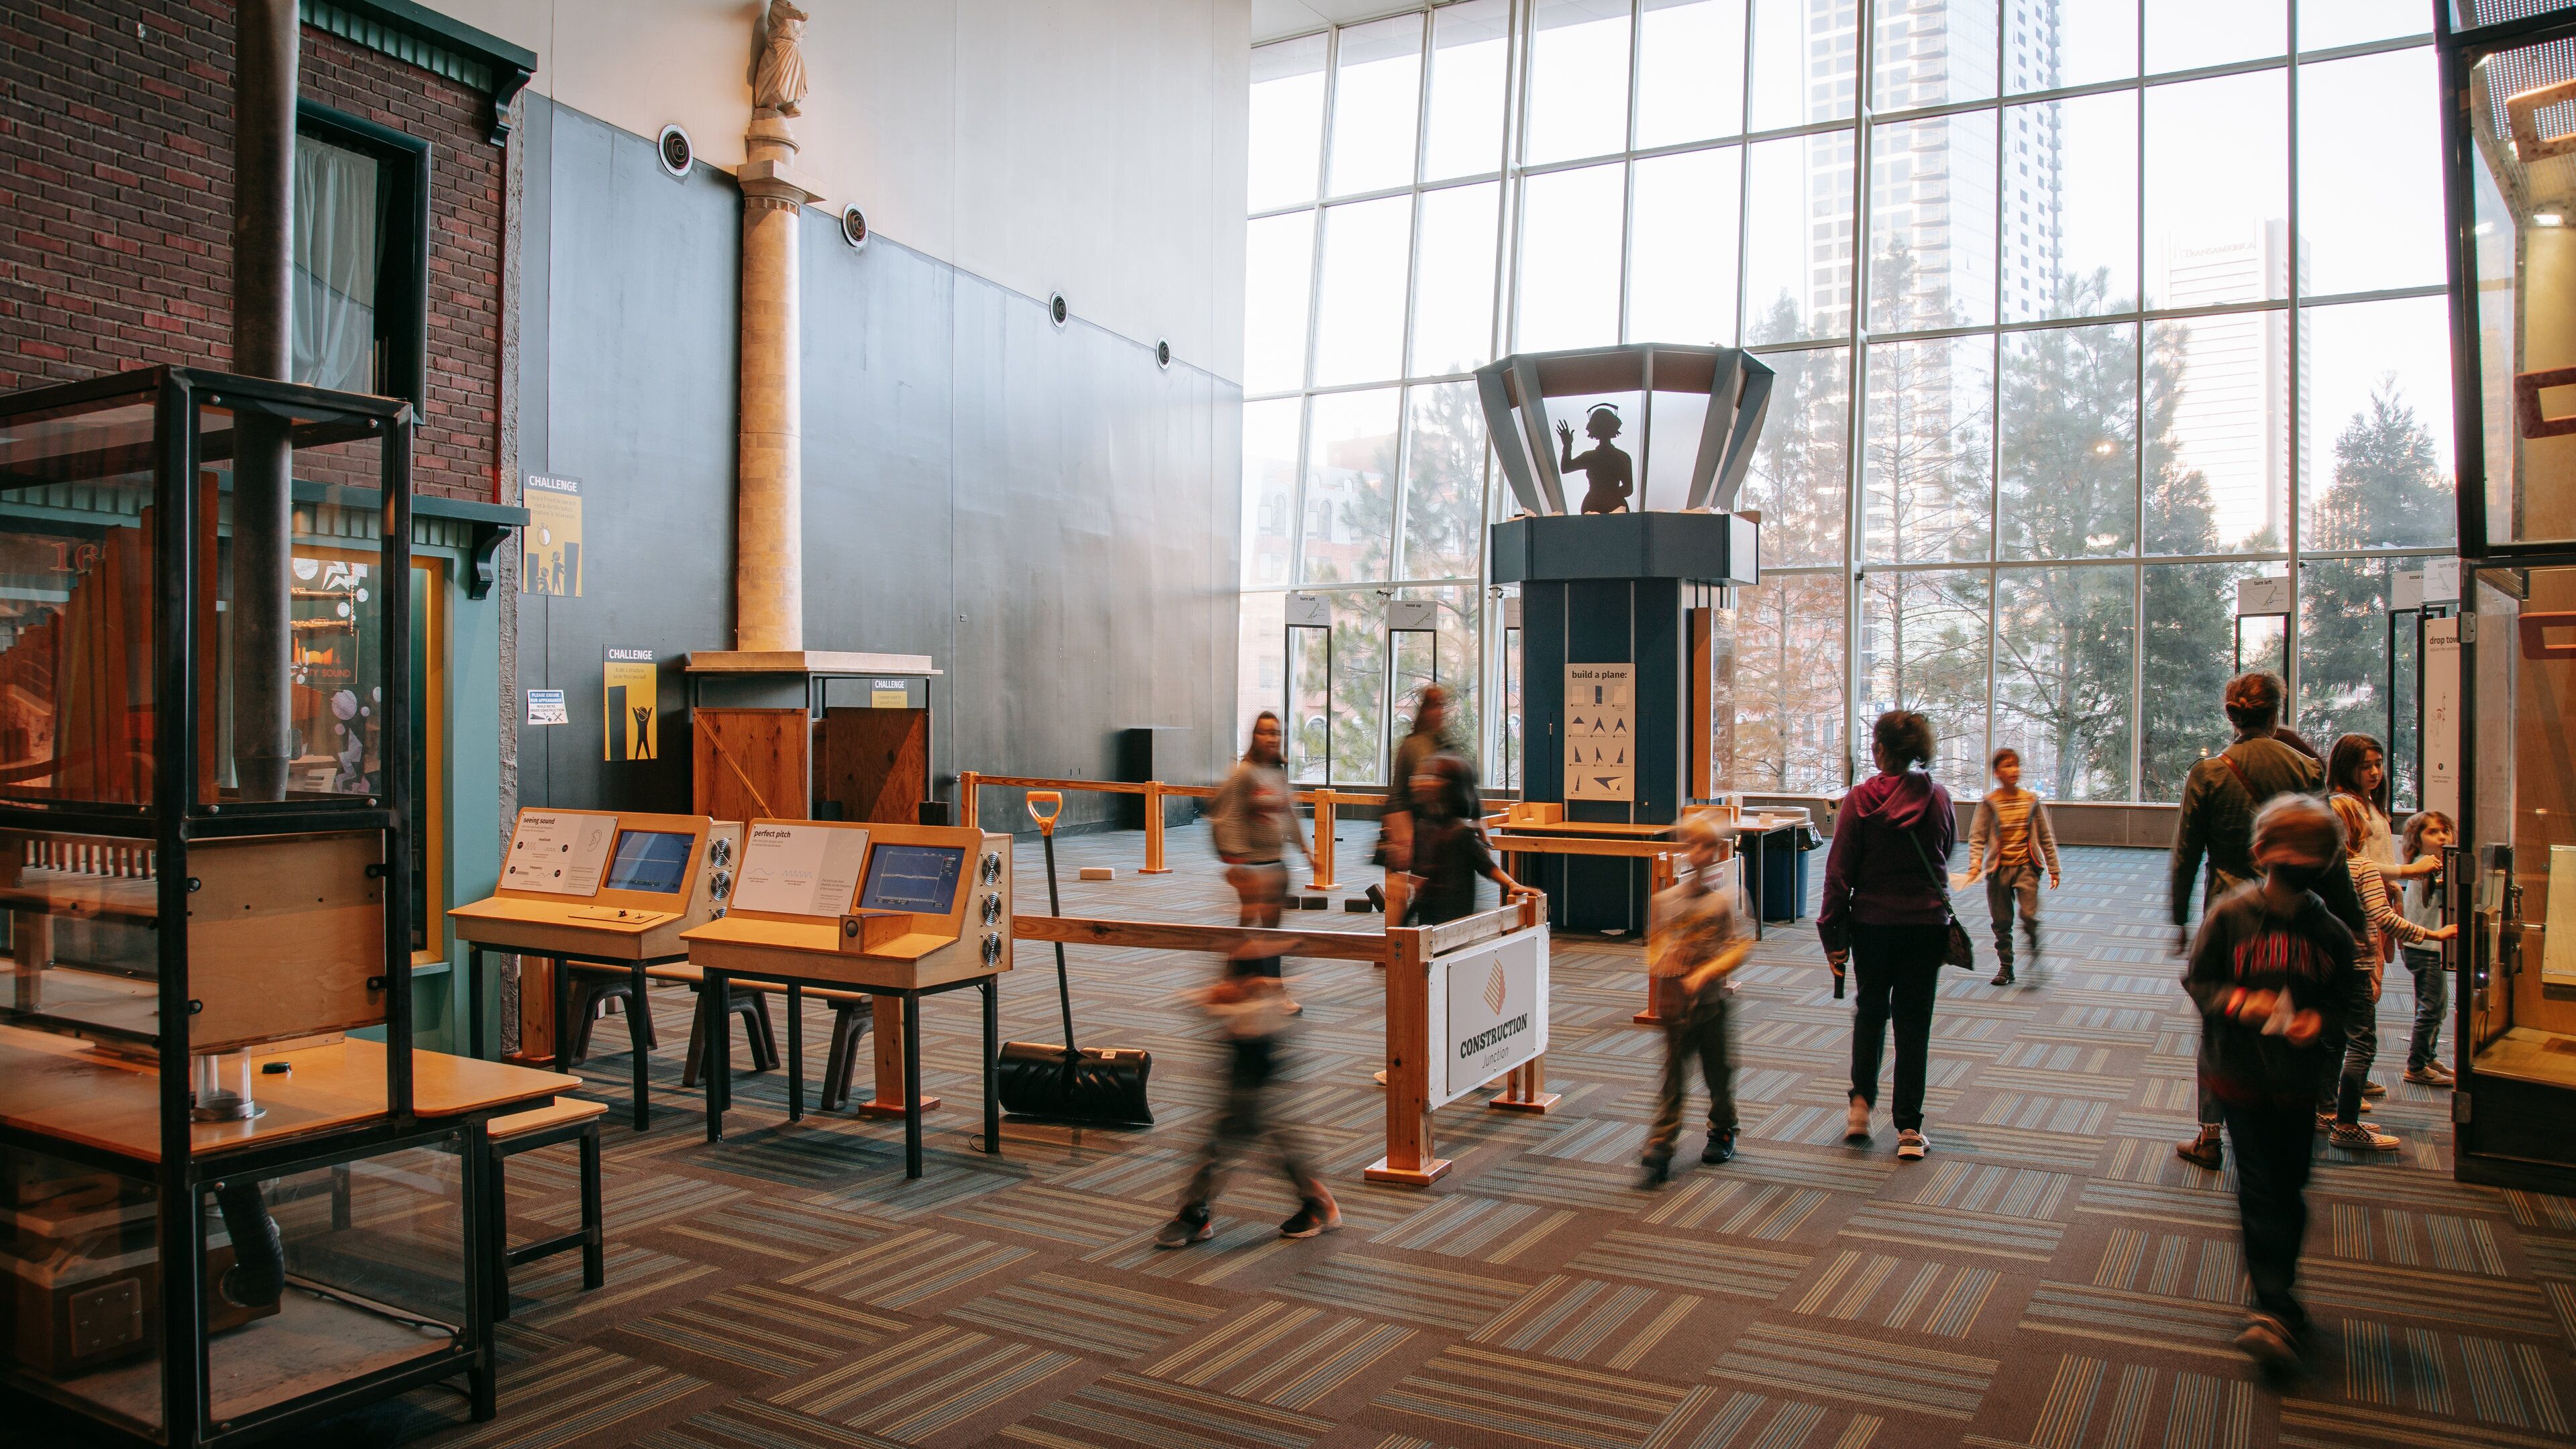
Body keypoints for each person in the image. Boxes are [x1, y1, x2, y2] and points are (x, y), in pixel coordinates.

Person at [2182, 793, 2369, 1378]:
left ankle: (2278, 1291)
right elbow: (2200, 981)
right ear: (2261, 852)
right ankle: (2274, 1304)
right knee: (2263, 1188)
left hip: (2297, 1086)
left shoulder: (2331, 932)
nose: (2296, 860)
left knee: (2289, 1188)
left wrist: (2321, 1023)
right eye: (2286, 847)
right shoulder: (2231, 915)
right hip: (2240, 1080)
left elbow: (2348, 1004)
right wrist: (2239, 1000)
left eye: (2309, 852)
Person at [2167, 672, 2351, 1171]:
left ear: (2232, 715)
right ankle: (2294, 1114)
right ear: (2276, 713)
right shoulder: (2307, 767)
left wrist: (2178, 917)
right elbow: (2327, 853)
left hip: (2228, 914)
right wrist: (2352, 921)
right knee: (2295, 1010)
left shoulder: (2208, 772)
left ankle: (2209, 1133)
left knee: (2221, 1023)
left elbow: (2186, 853)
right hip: (2295, 913)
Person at [1818, 710, 1956, 1162]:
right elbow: (1946, 850)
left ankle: (1860, 1108)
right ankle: (1910, 1129)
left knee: (1871, 1012)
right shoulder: (1938, 797)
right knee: (1914, 1023)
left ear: (1878, 749)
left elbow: (1839, 872)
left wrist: (1831, 933)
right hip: (1925, 927)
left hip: (1872, 925)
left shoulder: (1859, 800)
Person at [1155, 962, 1340, 1248]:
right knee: (1244, 1128)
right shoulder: (1246, 940)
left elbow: (1264, 972)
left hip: (1260, 1042)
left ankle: (1317, 1206)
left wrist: (1241, 993)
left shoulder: (1260, 942)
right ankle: (1197, 1211)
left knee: (1246, 1128)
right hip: (1245, 1042)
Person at [1642, 814, 1748, 1185]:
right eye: (1692, 845)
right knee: (1673, 1075)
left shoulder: (1721, 902)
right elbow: (1653, 946)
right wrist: (1661, 962)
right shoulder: (1664, 901)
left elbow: (1737, 949)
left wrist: (1706, 971)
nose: (1699, 853)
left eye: (1707, 846)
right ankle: (1662, 1141)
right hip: (1676, 1007)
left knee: (1718, 1072)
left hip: (1712, 1005)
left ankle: (1723, 1128)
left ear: (1718, 851)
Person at [1210, 712, 1314, 1008]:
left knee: (1264, 931)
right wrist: (1237, 862)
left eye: (1276, 733)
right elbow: (1225, 817)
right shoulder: (1244, 774)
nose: (1271, 738)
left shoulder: (1277, 774)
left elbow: (1289, 814)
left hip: (1276, 864)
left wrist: (1305, 850)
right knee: (1258, 931)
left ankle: (1238, 984)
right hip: (1252, 867)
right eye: (1265, 733)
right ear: (1254, 737)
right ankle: (1261, 988)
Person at [1964, 747, 2059, 987]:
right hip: (1999, 871)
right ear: (1997, 772)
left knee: (2029, 916)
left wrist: (2053, 868)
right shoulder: (1989, 803)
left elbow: (2046, 837)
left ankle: (2035, 953)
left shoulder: (2031, 801)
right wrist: (1975, 863)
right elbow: (1977, 837)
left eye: (2016, 765)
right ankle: (2006, 967)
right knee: (2001, 922)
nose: (2014, 770)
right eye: (2007, 765)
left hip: (2027, 867)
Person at [1404, 754, 1533, 926]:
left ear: (1450, 787)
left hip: (1450, 912)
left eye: (1435, 778)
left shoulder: (1459, 832)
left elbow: (1486, 865)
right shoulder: (1426, 826)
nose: (1426, 783)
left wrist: (1511, 884)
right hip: (1429, 907)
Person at [1373, 686, 1454, 913]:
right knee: (1419, 896)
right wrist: (1403, 840)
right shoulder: (1412, 745)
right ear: (1426, 710)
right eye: (1436, 706)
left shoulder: (1444, 743)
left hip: (1440, 829)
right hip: (1418, 829)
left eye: (1442, 706)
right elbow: (1398, 795)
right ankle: (1404, 941)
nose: (1440, 712)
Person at [2398, 810, 2457, 1086]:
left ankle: (2428, 1055)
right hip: (2424, 947)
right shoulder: (2426, 866)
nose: (2443, 836)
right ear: (2417, 840)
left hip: (2433, 946)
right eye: (2433, 832)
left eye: (2445, 830)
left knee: (2439, 1006)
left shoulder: (2439, 864)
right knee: (2431, 1008)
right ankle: (2417, 1065)